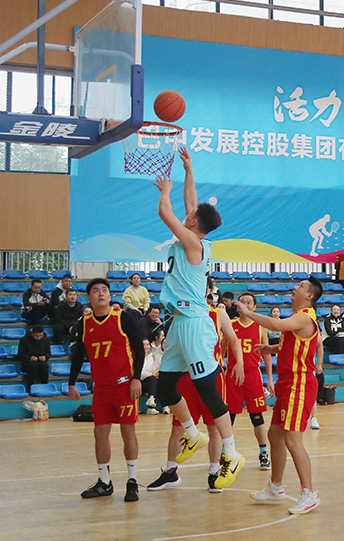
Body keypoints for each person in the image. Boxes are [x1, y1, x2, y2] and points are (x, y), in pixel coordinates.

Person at [152, 148, 243, 490]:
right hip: (179, 323)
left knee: (207, 391)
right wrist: (189, 169)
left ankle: (232, 455)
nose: (187, 213)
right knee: (164, 387)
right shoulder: (195, 234)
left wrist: (165, 190)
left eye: (190, 216)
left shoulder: (192, 242)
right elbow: (192, 202)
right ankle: (192, 434)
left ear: (194, 224)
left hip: (193, 323)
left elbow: (166, 212)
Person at [235, 277, 324, 515]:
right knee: (274, 434)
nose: (295, 287)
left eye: (301, 286)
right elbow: (295, 345)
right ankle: (275, 486)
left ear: (309, 296)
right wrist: (272, 349)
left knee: (293, 439)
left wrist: (248, 313)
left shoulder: (305, 317)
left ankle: (310, 493)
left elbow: (276, 325)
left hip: (300, 384)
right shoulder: (298, 318)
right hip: (287, 384)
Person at [148, 302, 243, 494]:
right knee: (177, 427)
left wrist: (239, 362)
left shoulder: (219, 314)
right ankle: (171, 471)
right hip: (184, 376)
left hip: (210, 375)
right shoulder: (181, 310)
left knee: (213, 428)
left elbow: (233, 339)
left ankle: (214, 472)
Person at [67, 278, 145, 502]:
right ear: (89, 298)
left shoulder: (123, 318)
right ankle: (104, 482)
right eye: (95, 291)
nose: (101, 293)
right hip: (101, 388)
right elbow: (78, 355)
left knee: (128, 432)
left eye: (104, 290)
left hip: (124, 386)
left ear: (110, 296)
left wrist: (136, 378)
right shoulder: (85, 323)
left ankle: (132, 481)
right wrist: (71, 383)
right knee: (100, 433)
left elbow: (139, 350)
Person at [226, 292, 275, 471]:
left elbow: (266, 353)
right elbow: (221, 350)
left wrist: (270, 378)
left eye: (249, 303)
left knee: (257, 416)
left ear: (254, 307)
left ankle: (263, 452)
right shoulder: (230, 325)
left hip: (253, 375)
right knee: (229, 417)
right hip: (232, 375)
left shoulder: (260, 327)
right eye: (242, 302)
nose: (245, 305)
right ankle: (226, 453)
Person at [142, 329, 165, 414]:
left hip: (148, 381)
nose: (146, 347)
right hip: (139, 382)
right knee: (151, 378)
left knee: (153, 380)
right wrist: (149, 374)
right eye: (144, 345)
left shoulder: (151, 357)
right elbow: (139, 373)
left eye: (147, 345)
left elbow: (153, 370)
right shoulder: (136, 358)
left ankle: (151, 404)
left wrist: (154, 372)